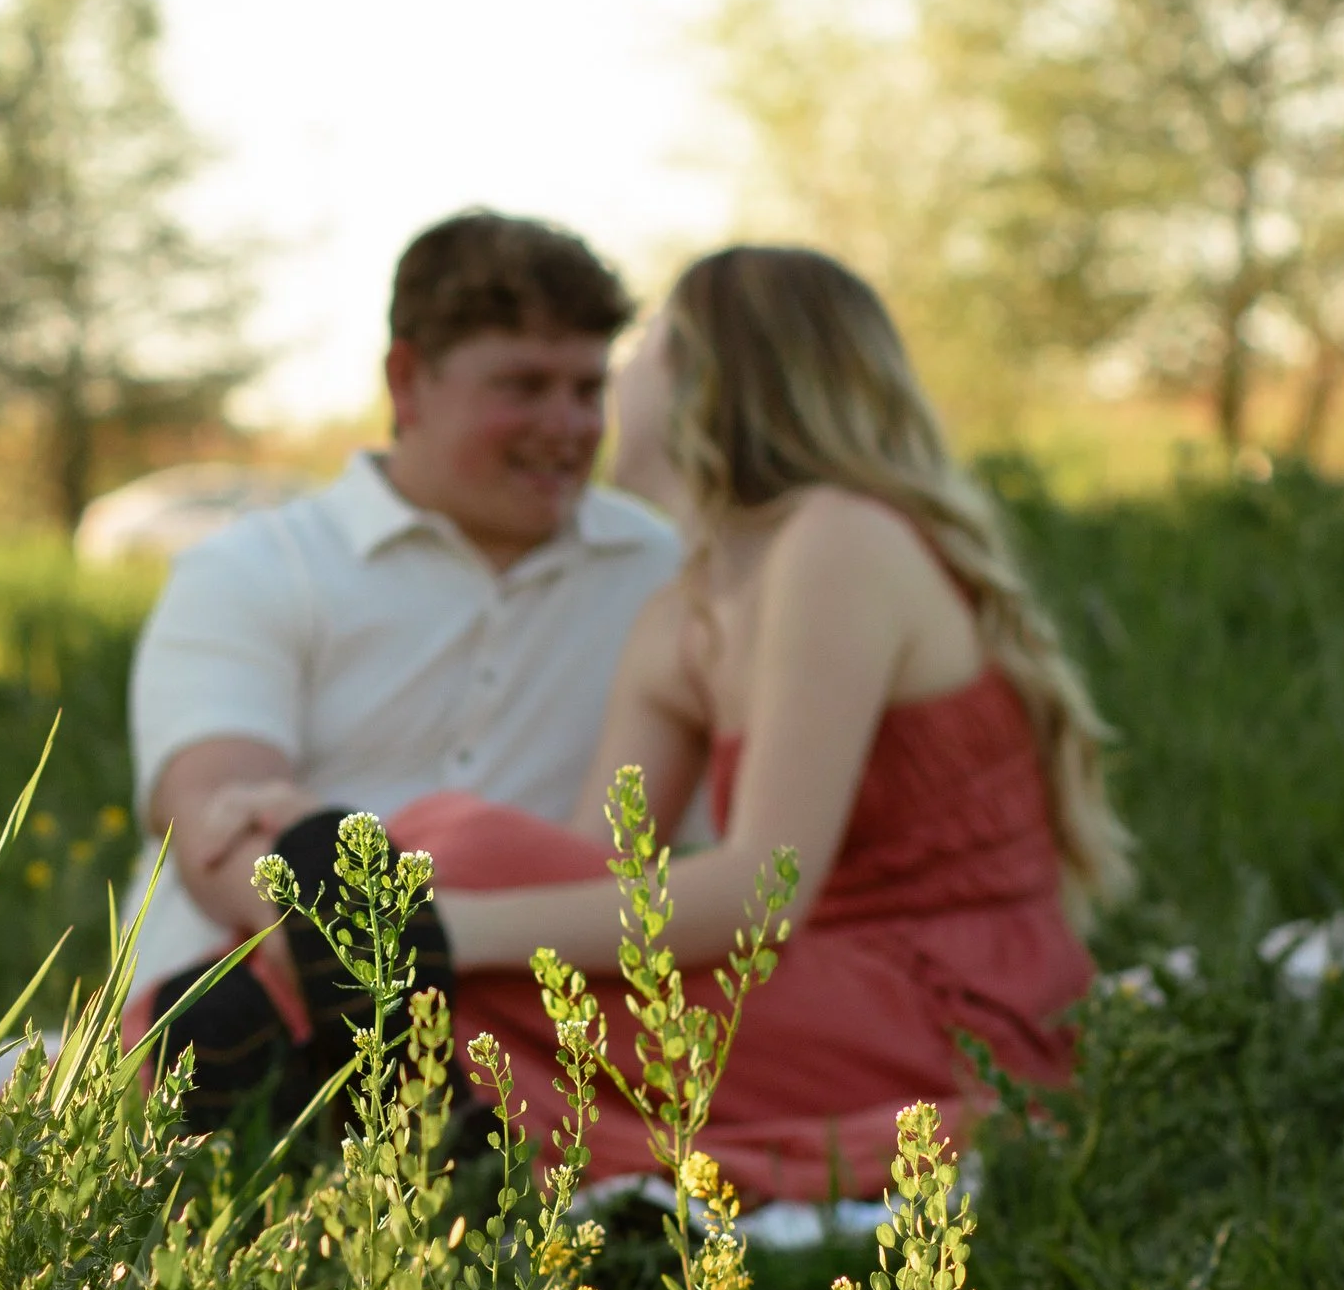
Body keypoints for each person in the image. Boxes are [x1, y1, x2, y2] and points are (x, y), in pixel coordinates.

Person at [233, 246, 1134, 1200]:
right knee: (466, 861)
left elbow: (760, 893)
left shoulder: (839, 541)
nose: (611, 388)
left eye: (639, 352)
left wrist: (436, 928)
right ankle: (319, 1065)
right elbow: (584, 867)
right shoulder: (683, 612)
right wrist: (408, 903)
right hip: (814, 990)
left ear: (716, 379)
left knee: (459, 856)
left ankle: (282, 1053)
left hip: (947, 1014)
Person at [122, 211, 679, 1124]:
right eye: (523, 385)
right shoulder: (254, 569)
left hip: (524, 1055)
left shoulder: (661, 570)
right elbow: (218, 820)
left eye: (588, 388)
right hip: (228, 1036)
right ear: (406, 380)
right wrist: (362, 968)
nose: (568, 426)